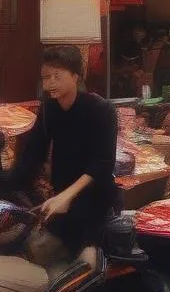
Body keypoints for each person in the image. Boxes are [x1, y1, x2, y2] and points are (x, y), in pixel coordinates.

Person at [13, 46, 118, 257]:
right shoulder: (48, 109)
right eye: (45, 77)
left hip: (95, 196)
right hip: (60, 195)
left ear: (75, 76)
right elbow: (34, 153)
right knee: (35, 249)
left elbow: (103, 163)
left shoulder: (101, 109)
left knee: (87, 259)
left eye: (56, 76)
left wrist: (68, 196)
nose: (49, 83)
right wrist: (9, 186)